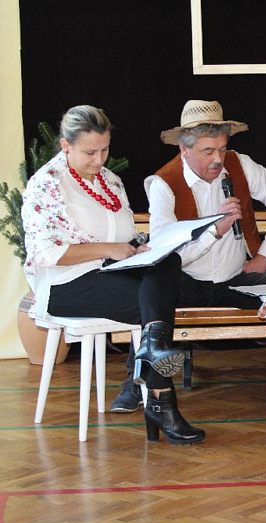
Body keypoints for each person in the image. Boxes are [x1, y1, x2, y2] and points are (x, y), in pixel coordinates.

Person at [21, 105, 204, 444]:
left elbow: (124, 238)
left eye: (104, 150)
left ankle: (151, 354)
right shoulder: (46, 184)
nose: (99, 159)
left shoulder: (111, 181)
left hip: (111, 273)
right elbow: (47, 254)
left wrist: (139, 247)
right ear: (65, 145)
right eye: (90, 152)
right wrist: (110, 249)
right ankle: (162, 399)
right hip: (65, 283)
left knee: (167, 264)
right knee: (154, 303)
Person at [109, 99, 266, 412]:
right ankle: (137, 380)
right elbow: (166, 253)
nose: (218, 159)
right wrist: (214, 230)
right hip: (187, 281)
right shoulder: (163, 184)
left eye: (222, 148)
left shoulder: (240, 165)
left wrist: (265, 255)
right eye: (208, 151)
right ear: (184, 149)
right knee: (152, 290)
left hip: (236, 279)